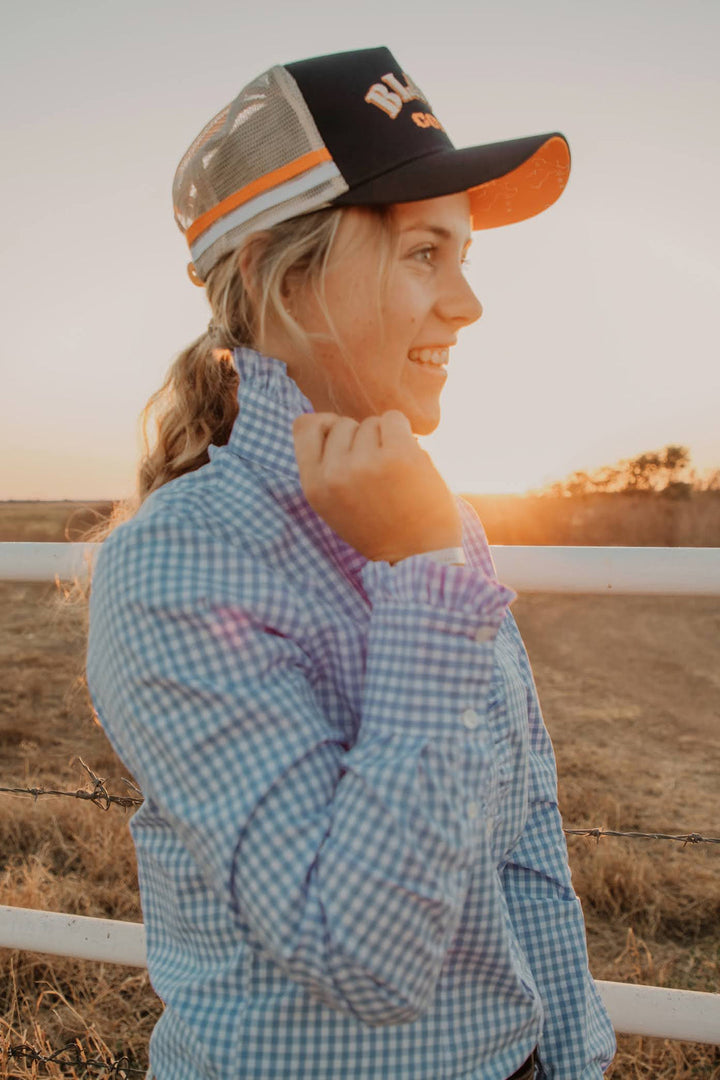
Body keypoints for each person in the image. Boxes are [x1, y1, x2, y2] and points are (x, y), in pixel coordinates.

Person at [86, 46, 616, 1080]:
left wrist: (576, 1057)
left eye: (465, 257)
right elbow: (364, 962)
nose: (467, 305)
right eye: (425, 253)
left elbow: (522, 843)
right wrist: (419, 581)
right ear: (273, 276)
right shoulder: (175, 567)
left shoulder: (440, 517)